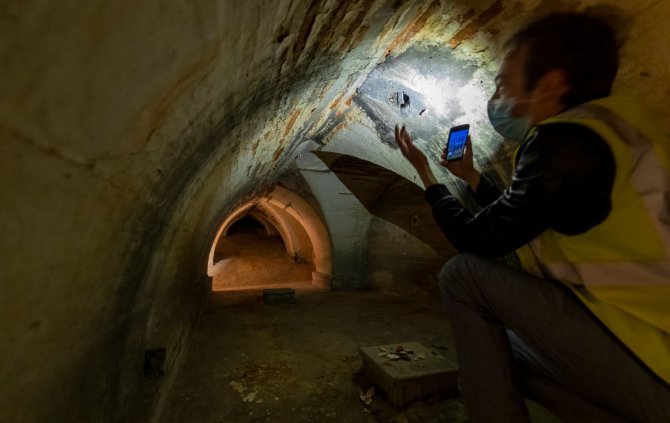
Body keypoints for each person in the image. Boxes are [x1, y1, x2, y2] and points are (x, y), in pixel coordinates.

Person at [394, 11, 670, 422]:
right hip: (645, 343)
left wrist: (426, 175)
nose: (497, 94)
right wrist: (470, 177)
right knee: (499, 355)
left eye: (506, 82)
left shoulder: (560, 142)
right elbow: (523, 213)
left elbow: (477, 239)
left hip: (650, 355)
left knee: (462, 275)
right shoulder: (617, 126)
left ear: (551, 85)